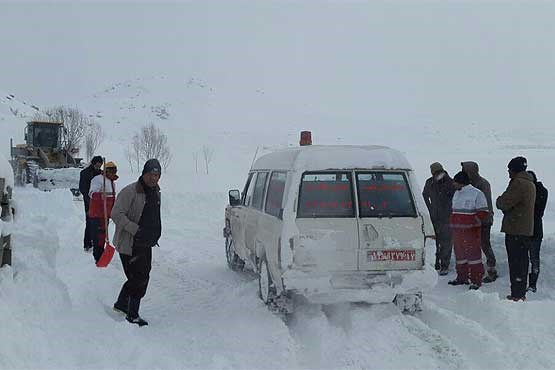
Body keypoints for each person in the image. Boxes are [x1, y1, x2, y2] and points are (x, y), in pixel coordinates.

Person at [111, 159, 162, 327]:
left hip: (145, 243)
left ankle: (121, 304)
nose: (154, 178)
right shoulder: (130, 191)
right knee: (138, 279)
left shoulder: (156, 191)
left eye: (157, 175)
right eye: (151, 174)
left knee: (141, 276)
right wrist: (135, 229)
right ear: (144, 173)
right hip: (130, 243)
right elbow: (116, 214)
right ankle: (132, 315)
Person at [496, 156, 536, 302]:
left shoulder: (518, 183)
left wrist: (499, 200)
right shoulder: (530, 183)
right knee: (522, 262)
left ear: (514, 170)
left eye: (509, 169)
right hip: (524, 229)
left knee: (516, 263)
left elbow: (504, 202)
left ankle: (517, 295)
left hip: (515, 229)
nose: (508, 172)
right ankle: (519, 292)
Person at [448, 171, 489, 290]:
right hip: (457, 231)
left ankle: (476, 280)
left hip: (471, 232)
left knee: (474, 257)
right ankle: (462, 277)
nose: (453, 184)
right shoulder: (456, 193)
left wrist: (472, 223)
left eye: (455, 182)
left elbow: (483, 212)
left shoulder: (477, 193)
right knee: (460, 256)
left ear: (461, 182)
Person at [461, 161, 498, 282]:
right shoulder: (468, 184)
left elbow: (484, 204)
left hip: (484, 220)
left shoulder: (483, 184)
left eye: (465, 170)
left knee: (484, 244)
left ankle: (492, 269)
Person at [422, 162, 455, 275]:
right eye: (434, 172)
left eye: (438, 172)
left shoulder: (450, 183)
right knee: (434, 241)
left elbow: (455, 198)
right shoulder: (430, 182)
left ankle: (444, 264)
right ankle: (436, 263)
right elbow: (424, 196)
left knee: (446, 242)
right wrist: (429, 209)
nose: (436, 174)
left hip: (447, 217)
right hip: (434, 217)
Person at [88, 161, 118, 263]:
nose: (113, 173)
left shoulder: (112, 183)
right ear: (106, 171)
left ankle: (102, 256)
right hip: (97, 214)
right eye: (111, 171)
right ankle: (98, 257)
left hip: (105, 215)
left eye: (115, 171)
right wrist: (100, 196)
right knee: (98, 237)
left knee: (103, 236)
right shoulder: (98, 180)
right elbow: (91, 193)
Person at [526, 170, 548, 293]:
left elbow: (537, 211)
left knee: (532, 258)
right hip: (533, 229)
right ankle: (530, 283)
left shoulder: (539, 191)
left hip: (532, 229)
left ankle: (531, 283)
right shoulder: (541, 191)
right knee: (533, 258)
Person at [79, 156, 103, 252]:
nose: (98, 166)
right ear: (93, 163)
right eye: (97, 164)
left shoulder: (100, 173)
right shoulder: (85, 173)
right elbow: (83, 188)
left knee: (97, 223)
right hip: (89, 202)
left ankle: (95, 242)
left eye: (100, 165)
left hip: (99, 203)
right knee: (89, 222)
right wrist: (89, 198)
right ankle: (87, 244)